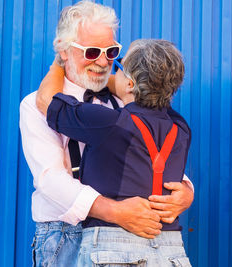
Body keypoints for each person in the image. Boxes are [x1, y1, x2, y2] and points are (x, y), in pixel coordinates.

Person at [19, 2, 193, 266]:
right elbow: (50, 179)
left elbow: (153, 154)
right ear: (64, 51)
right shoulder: (34, 104)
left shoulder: (125, 101)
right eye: (91, 52)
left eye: (111, 52)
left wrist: (185, 191)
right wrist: (115, 211)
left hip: (127, 238)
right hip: (66, 234)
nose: (103, 62)